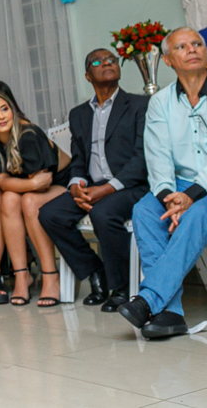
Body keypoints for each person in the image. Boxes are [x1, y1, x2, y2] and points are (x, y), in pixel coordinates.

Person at [117, 27, 207, 340]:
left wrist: (190, 197)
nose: (192, 49)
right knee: (145, 210)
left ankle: (150, 301)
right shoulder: (160, 103)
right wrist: (171, 197)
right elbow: (158, 159)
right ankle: (172, 314)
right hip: (181, 188)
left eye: (197, 44)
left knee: (199, 211)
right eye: (182, 46)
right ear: (169, 60)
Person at [39, 49, 149, 312]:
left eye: (112, 59)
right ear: (88, 75)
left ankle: (121, 286)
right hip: (92, 186)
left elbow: (143, 156)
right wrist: (76, 183)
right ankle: (95, 271)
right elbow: (78, 157)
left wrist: (108, 188)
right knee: (49, 214)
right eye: (98, 62)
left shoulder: (140, 105)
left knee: (103, 213)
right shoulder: (79, 114)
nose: (107, 63)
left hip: (131, 186)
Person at [0, 90, 66, 307]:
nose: (0, 116)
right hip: (34, 188)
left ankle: (50, 276)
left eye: (4, 109)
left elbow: (43, 182)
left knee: (27, 201)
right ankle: (21, 275)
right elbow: (4, 183)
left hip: (65, 185)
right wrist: (31, 184)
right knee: (8, 199)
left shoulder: (28, 135)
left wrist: (33, 184)